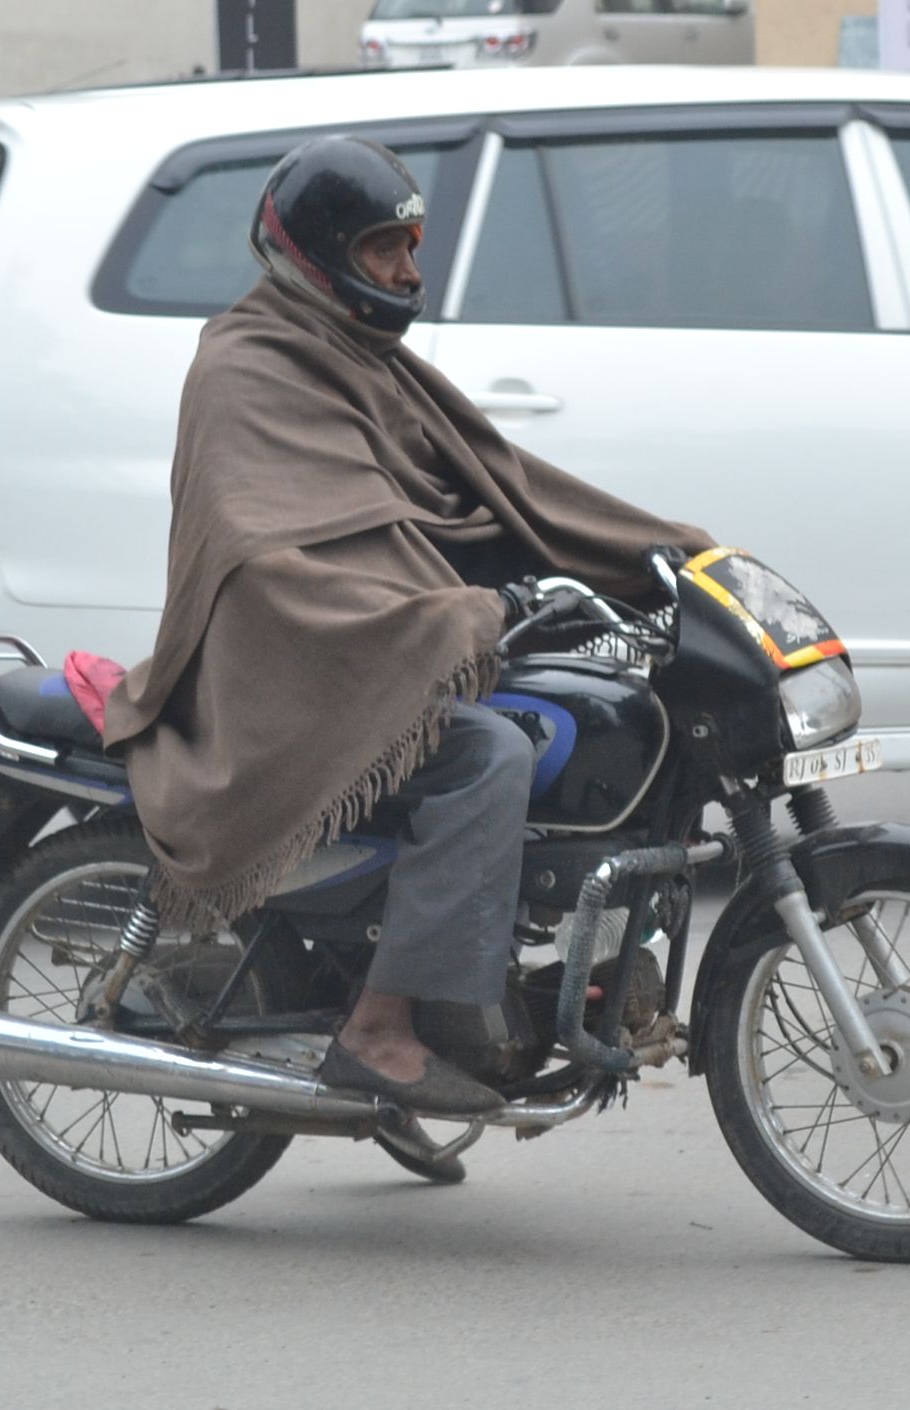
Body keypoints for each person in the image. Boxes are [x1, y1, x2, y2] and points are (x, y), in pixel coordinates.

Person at [101, 137, 710, 1117]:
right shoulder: (245, 365)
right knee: (486, 758)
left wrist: (661, 555)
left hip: (373, 648)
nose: (408, 272)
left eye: (412, 247)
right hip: (281, 669)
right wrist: (446, 617)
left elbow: (495, 493)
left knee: (585, 719)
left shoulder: (367, 361)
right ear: (319, 254)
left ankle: (512, 993)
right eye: (387, 248)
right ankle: (378, 1025)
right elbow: (267, 557)